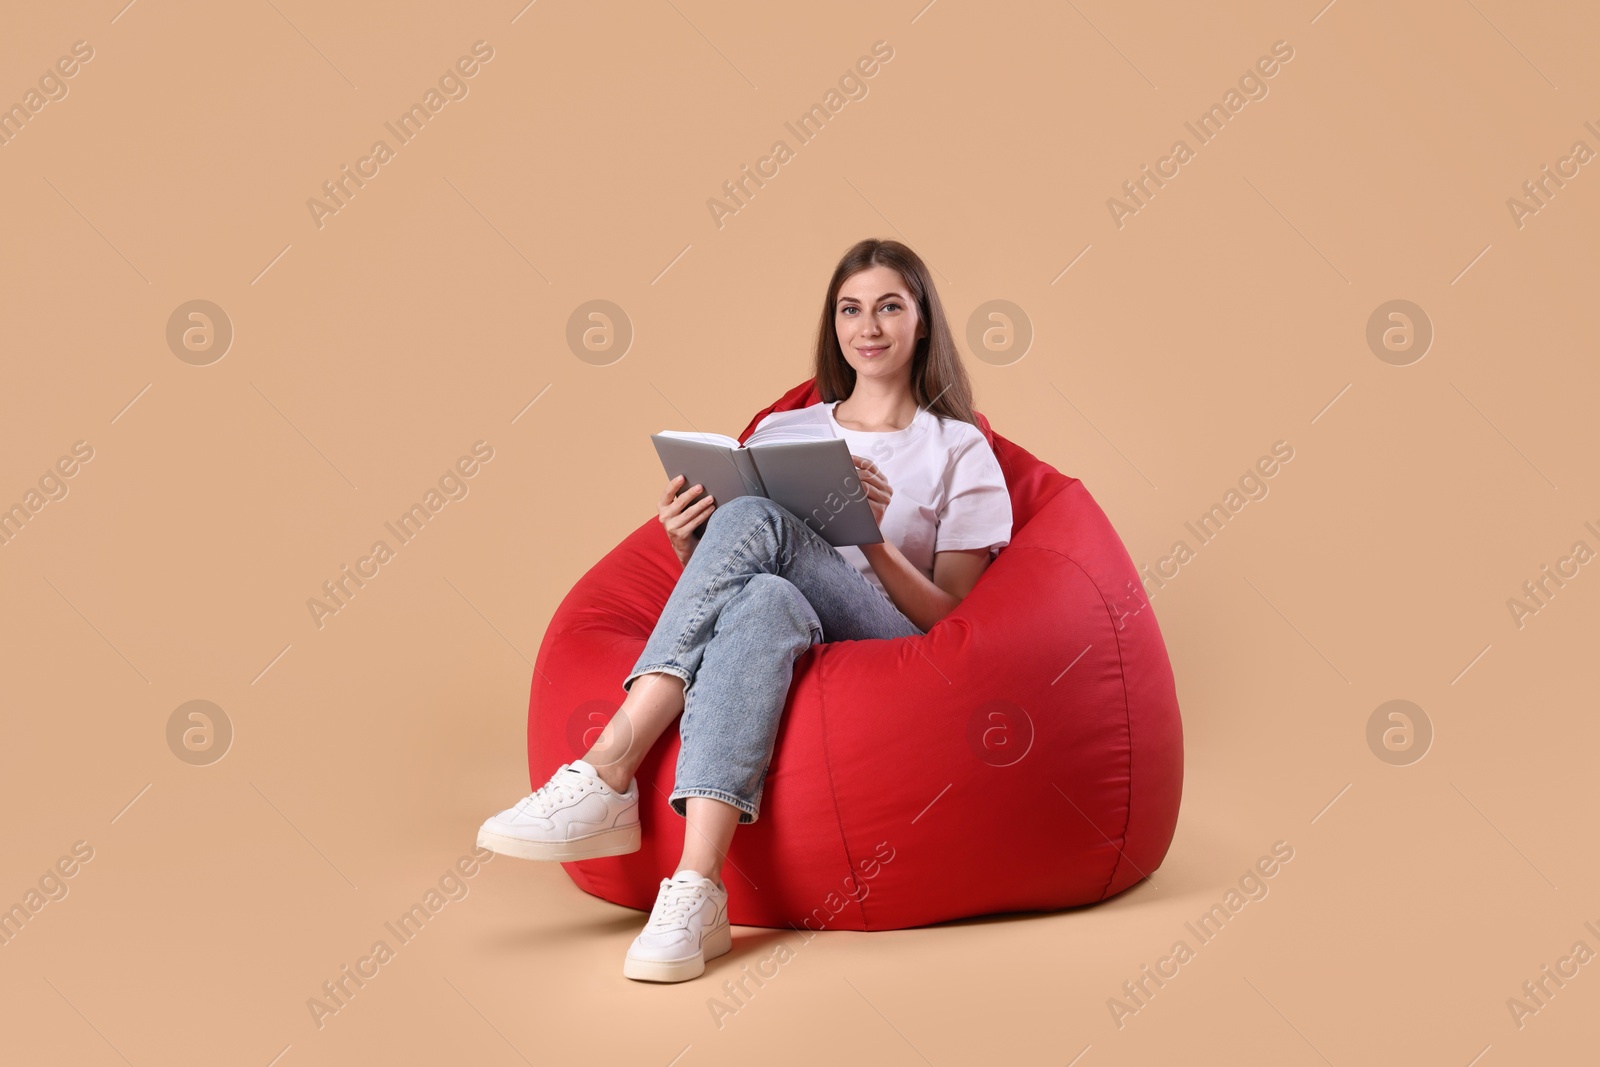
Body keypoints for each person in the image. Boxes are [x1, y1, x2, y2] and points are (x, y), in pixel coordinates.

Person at [476, 238, 1013, 982]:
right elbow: (723, 586)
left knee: (762, 521)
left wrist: (868, 539)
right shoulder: (785, 430)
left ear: (922, 322)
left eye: (891, 305)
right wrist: (684, 542)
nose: (870, 326)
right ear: (834, 325)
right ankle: (698, 888)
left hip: (882, 634)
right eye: (850, 309)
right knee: (763, 596)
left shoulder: (958, 448)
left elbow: (950, 619)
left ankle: (609, 766)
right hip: (789, 609)